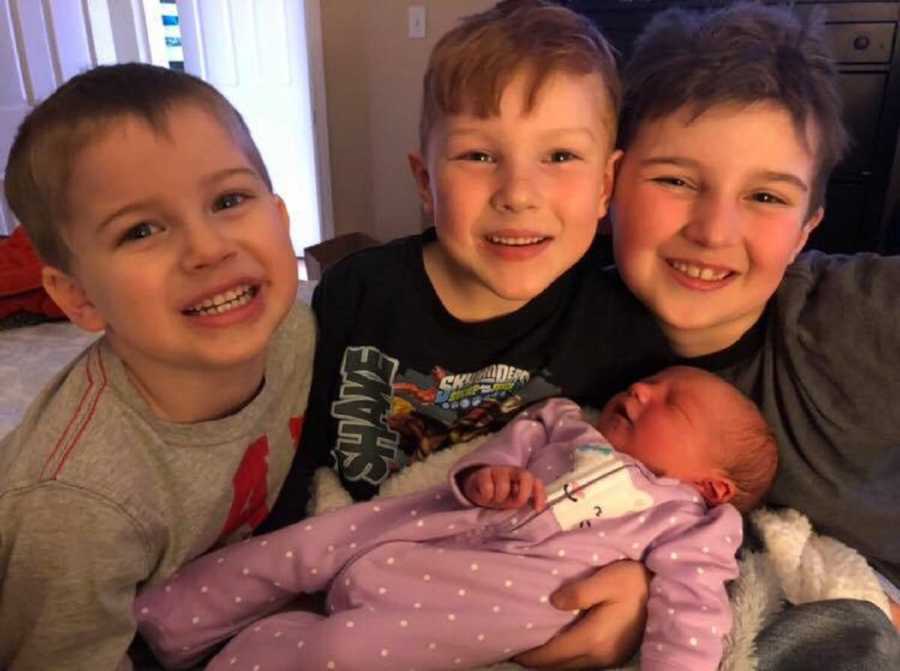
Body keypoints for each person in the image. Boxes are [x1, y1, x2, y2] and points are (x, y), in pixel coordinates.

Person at [258, 3, 667, 665]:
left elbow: (668, 488)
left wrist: (643, 579)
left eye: (559, 155)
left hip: (505, 597)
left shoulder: (619, 322)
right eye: (479, 155)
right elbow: (294, 451)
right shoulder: (359, 292)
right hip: (353, 568)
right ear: (425, 180)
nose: (518, 192)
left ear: (606, 184)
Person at [601, 1, 900, 665]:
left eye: (765, 197)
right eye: (676, 179)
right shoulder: (563, 325)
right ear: (609, 183)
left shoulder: (859, 317)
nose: (713, 231)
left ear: (807, 230)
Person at [136, 366, 775, 671]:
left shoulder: (692, 520)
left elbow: (693, 607)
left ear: (712, 484)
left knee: (341, 652)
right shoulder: (565, 423)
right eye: (650, 382)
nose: (640, 390)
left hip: (479, 605)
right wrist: (485, 478)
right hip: (424, 529)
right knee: (294, 547)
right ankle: (161, 623)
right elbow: (503, 447)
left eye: (672, 404)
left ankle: (241, 660)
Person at [0, 63, 315, 670]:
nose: (208, 249)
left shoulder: (299, 331)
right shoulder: (77, 503)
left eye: (229, 200)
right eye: (141, 230)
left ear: (280, 217)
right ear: (78, 298)